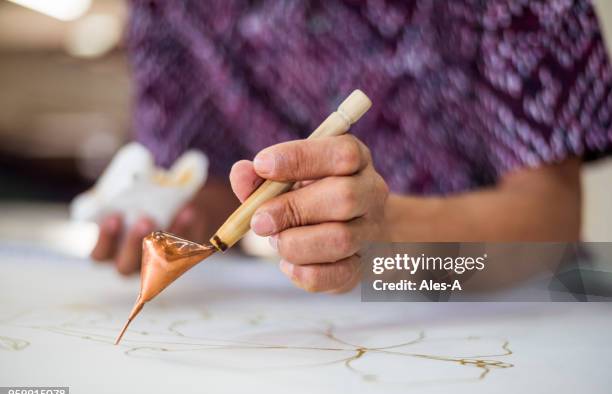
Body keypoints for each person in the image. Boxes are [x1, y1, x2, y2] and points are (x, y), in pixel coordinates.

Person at [90, 0, 612, 293]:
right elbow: (205, 177)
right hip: (320, 331)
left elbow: (551, 222)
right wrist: (177, 220)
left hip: (518, 311)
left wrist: (386, 235)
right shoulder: (166, 9)